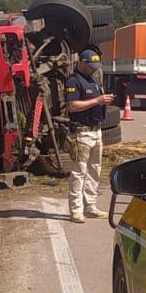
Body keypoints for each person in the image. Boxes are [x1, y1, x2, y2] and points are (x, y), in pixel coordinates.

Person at [63, 46, 114, 223]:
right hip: (81, 133)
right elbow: (72, 106)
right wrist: (98, 101)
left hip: (96, 131)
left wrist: (103, 100)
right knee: (79, 173)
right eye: (91, 66)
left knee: (94, 171)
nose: (94, 69)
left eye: (96, 67)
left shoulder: (93, 80)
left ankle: (90, 205)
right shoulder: (73, 81)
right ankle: (76, 210)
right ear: (82, 64)